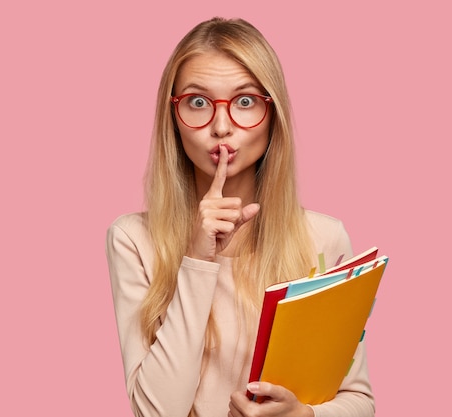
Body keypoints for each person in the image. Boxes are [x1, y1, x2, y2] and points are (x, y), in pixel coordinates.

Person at [105, 17, 375, 417]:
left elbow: (359, 401)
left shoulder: (322, 237)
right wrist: (197, 261)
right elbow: (156, 413)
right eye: (197, 102)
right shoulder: (133, 239)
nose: (221, 126)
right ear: (172, 118)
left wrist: (303, 415)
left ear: (272, 114)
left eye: (245, 101)